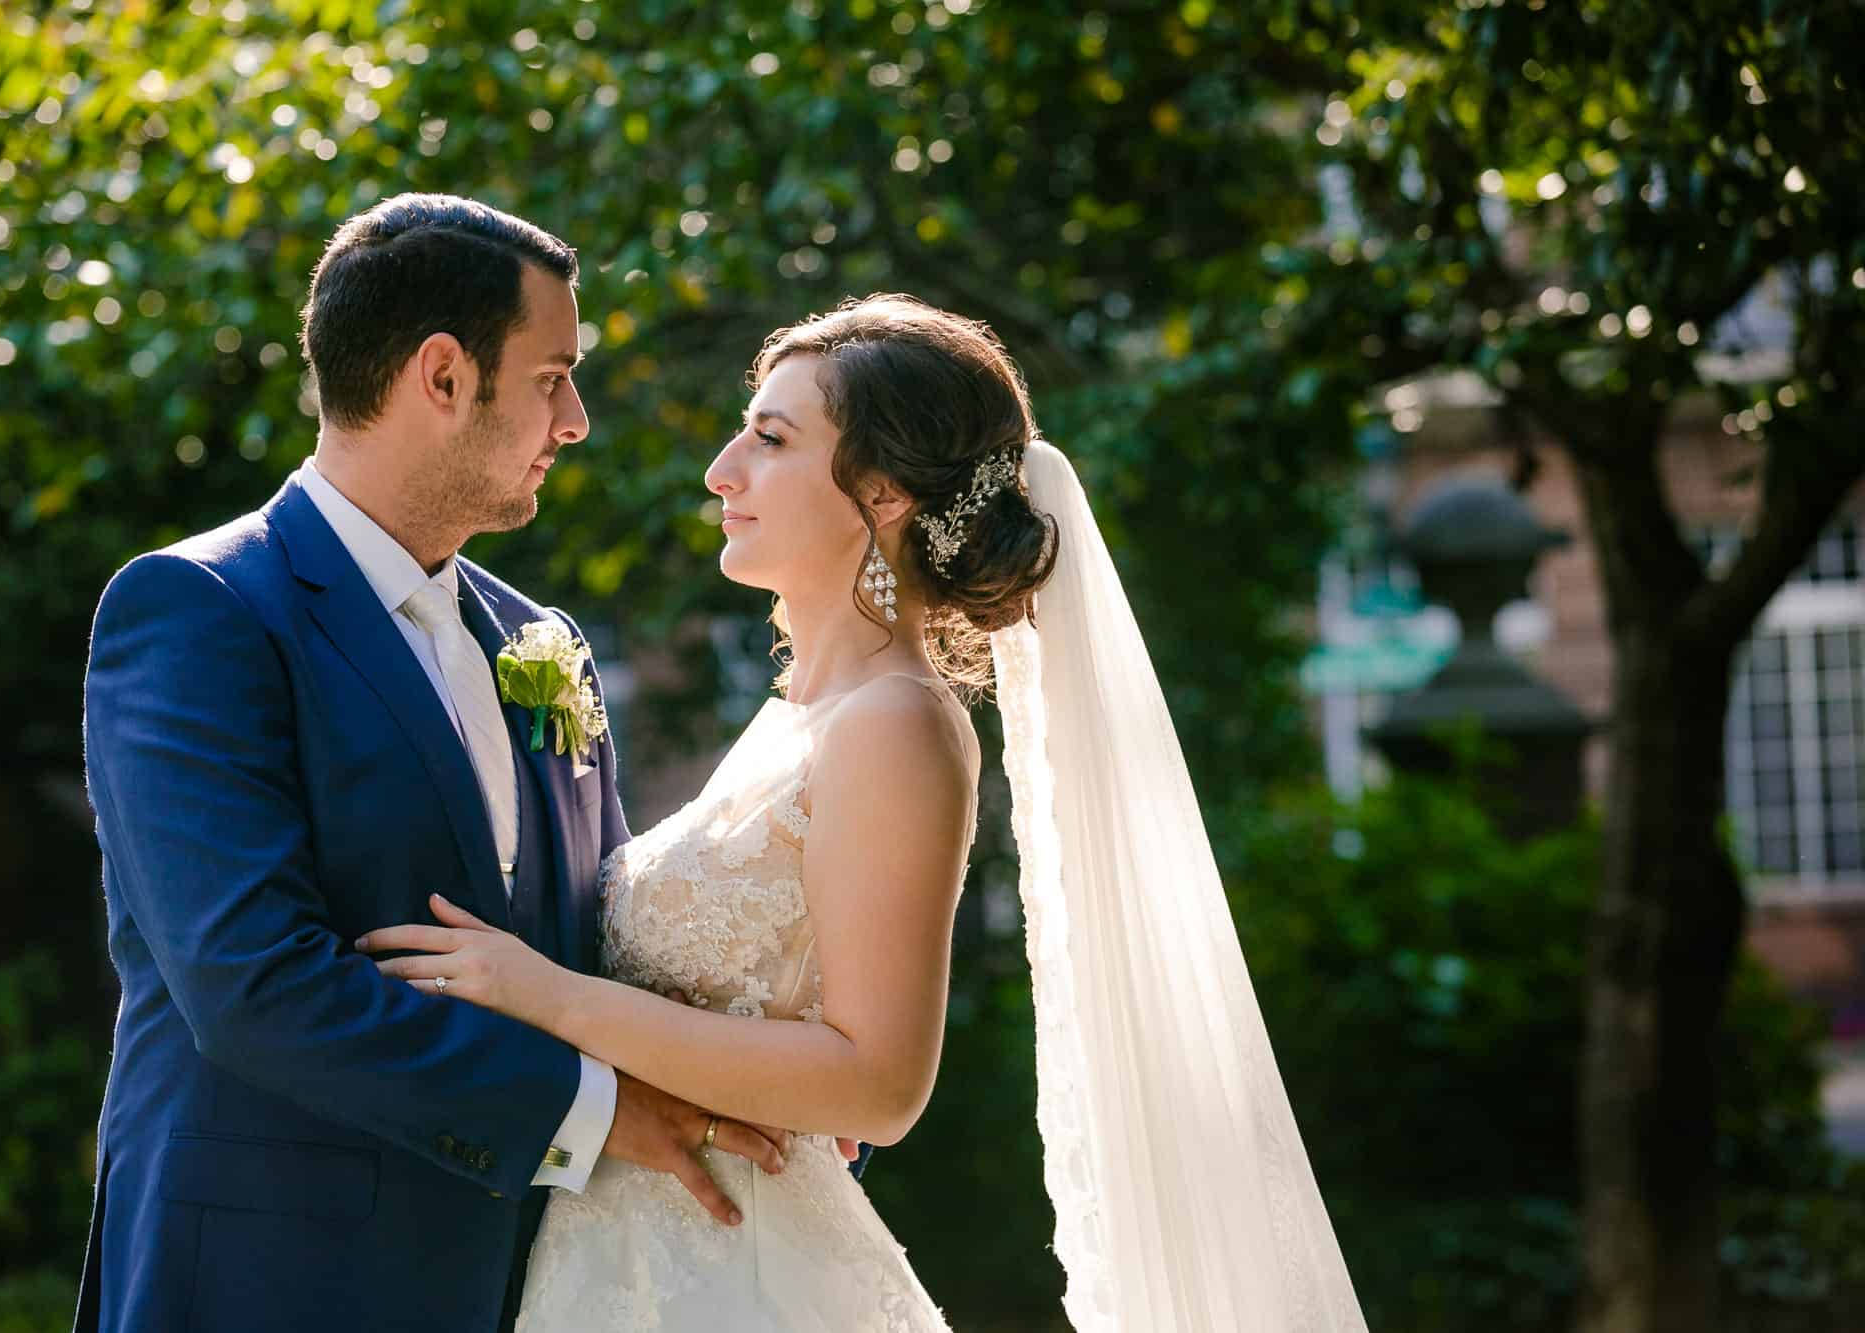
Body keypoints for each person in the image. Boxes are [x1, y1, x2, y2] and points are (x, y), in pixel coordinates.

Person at [363, 295, 1370, 1331]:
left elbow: (878, 1081)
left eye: (771, 438)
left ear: (881, 493)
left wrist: (550, 996)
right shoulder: (800, 710)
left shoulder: (895, 724)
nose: (721, 470)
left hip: (743, 1275)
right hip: (641, 1261)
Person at [74, 194, 810, 1333]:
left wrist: (774, 1090)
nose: (574, 420)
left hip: (523, 1281)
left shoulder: (537, 638)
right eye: (552, 375)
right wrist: (591, 1109)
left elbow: (598, 943)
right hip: (269, 1280)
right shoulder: (199, 610)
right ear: (443, 375)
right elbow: (251, 983)